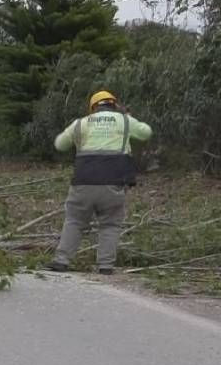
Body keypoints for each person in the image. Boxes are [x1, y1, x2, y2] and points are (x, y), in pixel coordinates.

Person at [46, 91, 152, 275]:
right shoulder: (125, 121)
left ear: (92, 108)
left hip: (83, 182)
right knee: (110, 225)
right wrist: (129, 117)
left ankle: (61, 261)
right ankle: (105, 266)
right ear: (114, 105)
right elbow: (146, 133)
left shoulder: (80, 123)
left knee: (75, 221)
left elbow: (59, 145)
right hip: (113, 183)